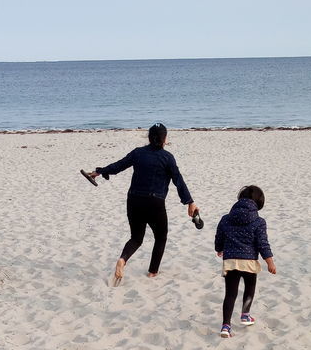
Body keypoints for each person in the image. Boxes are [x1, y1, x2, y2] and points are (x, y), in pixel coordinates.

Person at [82, 124, 200, 284]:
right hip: (154, 203)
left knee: (136, 238)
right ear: (165, 139)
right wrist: (189, 202)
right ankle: (152, 272)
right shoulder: (167, 158)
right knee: (161, 237)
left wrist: (100, 171)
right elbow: (178, 181)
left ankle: (123, 260)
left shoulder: (138, 153)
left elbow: (118, 166)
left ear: (149, 137)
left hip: (134, 201)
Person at [214, 185, 276, 338]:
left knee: (230, 294)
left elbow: (219, 237)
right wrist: (270, 262)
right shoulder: (259, 221)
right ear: (259, 202)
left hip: (231, 262)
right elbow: (262, 243)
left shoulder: (226, 219)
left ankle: (226, 326)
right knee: (249, 288)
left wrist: (219, 248)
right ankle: (245, 314)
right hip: (249, 262)